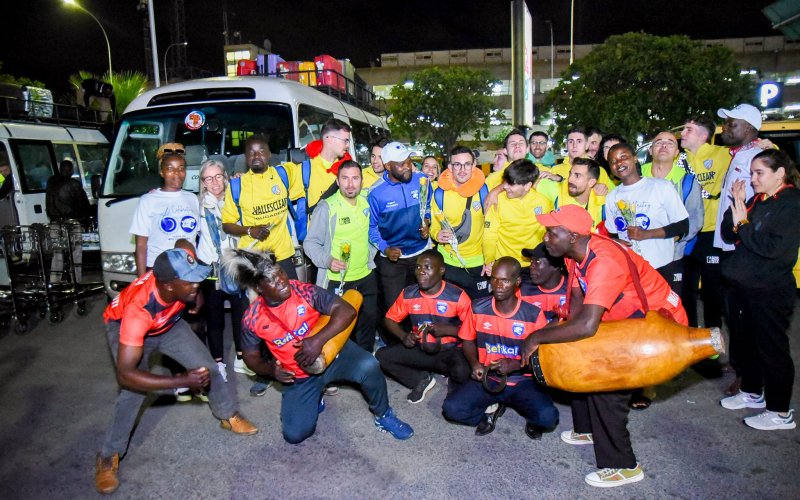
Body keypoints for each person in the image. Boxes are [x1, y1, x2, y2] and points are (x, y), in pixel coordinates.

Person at [520, 205, 687, 488]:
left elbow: (587, 326)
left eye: (551, 232)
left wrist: (535, 338)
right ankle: (588, 429)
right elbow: (576, 303)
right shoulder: (575, 253)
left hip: (654, 325)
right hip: (621, 320)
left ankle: (623, 466)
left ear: (573, 236)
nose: (545, 237)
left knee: (608, 387)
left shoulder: (604, 260)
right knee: (581, 360)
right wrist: (561, 335)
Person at [94, 245, 257, 495]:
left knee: (208, 367)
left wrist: (197, 295)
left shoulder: (176, 285)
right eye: (191, 282)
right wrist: (180, 380)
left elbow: (184, 247)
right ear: (170, 285)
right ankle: (108, 456)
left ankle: (227, 415)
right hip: (127, 328)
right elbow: (125, 374)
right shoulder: (138, 311)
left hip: (167, 323)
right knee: (132, 392)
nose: (197, 284)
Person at [229, 250, 414, 443]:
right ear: (259, 287)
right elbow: (250, 357)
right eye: (272, 280)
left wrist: (317, 341)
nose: (282, 281)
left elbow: (346, 310)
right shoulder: (253, 318)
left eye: (281, 273)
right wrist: (271, 371)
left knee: (369, 365)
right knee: (294, 435)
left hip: (333, 353)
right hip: (299, 375)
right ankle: (315, 396)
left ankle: (383, 415)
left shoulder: (303, 290)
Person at [719, 149, 800, 430]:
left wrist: (743, 223)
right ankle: (752, 392)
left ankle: (780, 411)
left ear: (780, 173)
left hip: (770, 289)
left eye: (759, 173)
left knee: (772, 348)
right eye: (751, 173)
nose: (752, 179)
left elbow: (773, 249)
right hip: (743, 286)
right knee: (745, 343)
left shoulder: (790, 204)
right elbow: (730, 233)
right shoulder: (759, 200)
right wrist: (737, 206)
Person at [442, 257, 558, 439]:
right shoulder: (478, 307)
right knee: (451, 410)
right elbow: (467, 340)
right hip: (489, 378)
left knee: (548, 419)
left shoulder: (533, 314)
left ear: (517, 282)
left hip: (523, 381)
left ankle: (530, 418)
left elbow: (543, 356)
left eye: (505, 280)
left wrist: (517, 365)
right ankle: (488, 412)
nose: (497, 285)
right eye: (494, 278)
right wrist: (474, 364)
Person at [376, 250, 472, 403]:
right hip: (421, 348)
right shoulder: (409, 293)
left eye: (427, 267)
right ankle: (421, 379)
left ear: (441, 270)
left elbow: (474, 331)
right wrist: (403, 336)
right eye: (418, 267)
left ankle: (452, 380)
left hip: (449, 352)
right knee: (381, 357)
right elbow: (389, 319)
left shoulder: (457, 296)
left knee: (463, 371)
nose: (421, 272)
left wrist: (448, 330)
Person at [304, 160, 378, 353]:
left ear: (362, 181)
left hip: (365, 276)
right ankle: (335, 370)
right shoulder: (327, 207)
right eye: (345, 178)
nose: (350, 184)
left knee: (367, 327)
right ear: (337, 181)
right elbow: (310, 243)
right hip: (338, 282)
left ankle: (366, 367)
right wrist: (328, 261)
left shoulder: (367, 202)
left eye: (355, 178)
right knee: (338, 332)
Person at [368, 141, 431, 342]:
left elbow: (427, 206)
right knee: (394, 308)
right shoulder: (375, 193)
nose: (408, 166)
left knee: (420, 304)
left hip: (420, 253)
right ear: (387, 166)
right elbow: (371, 228)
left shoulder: (422, 180)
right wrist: (385, 249)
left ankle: (422, 343)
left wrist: (427, 222)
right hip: (393, 260)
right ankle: (396, 348)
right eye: (401, 164)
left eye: (409, 161)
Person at [604, 142, 690, 292]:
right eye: (613, 161)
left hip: (660, 266)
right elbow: (613, 233)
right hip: (630, 268)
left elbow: (683, 225)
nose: (618, 163)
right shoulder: (612, 197)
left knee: (663, 314)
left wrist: (647, 234)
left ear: (635, 158)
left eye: (623, 157)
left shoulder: (661, 187)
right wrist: (617, 242)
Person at [195, 160, 250, 382]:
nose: (214, 182)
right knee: (214, 319)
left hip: (235, 266)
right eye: (208, 178)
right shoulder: (197, 205)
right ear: (203, 183)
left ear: (225, 177)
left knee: (241, 315)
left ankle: (241, 356)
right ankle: (218, 362)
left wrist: (242, 179)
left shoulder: (237, 199)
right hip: (211, 270)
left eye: (218, 176)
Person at [221, 135, 304, 279]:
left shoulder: (284, 174)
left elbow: (310, 172)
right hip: (254, 258)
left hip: (283, 254)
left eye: (261, 151)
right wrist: (249, 230)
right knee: (259, 301)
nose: (256, 156)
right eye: (251, 152)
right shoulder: (237, 186)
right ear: (246, 157)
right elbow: (226, 225)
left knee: (292, 298)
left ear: (269, 154)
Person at [429, 146, 490, 299]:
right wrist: (437, 234)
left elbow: (492, 228)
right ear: (450, 167)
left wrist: (490, 259)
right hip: (448, 263)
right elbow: (434, 225)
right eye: (457, 164)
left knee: (478, 312)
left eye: (467, 164)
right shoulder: (440, 194)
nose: (462, 169)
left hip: (478, 264)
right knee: (450, 313)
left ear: (473, 165)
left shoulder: (484, 191)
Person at [130, 144, 199, 277]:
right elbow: (141, 246)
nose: (177, 173)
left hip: (188, 267)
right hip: (158, 268)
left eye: (181, 168)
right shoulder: (148, 200)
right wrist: (141, 280)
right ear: (161, 172)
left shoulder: (192, 199)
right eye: (170, 169)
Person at [482, 159, 553, 276]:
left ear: (527, 186)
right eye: (505, 182)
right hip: (505, 265)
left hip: (534, 265)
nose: (505, 187)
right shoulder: (496, 201)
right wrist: (489, 261)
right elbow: (489, 236)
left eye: (511, 184)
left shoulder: (544, 202)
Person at [45, 159, 91, 282]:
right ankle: (76, 280)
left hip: (55, 222)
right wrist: (85, 219)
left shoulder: (51, 182)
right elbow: (83, 204)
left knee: (57, 252)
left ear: (60, 169)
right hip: (71, 223)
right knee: (76, 253)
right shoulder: (74, 184)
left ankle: (55, 280)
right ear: (71, 170)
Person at [536, 157, 607, 231]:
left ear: (591, 182)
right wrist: (560, 178)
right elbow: (530, 179)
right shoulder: (558, 190)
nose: (570, 179)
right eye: (570, 174)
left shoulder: (602, 205)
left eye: (577, 176)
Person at [520, 242, 583, 324]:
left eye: (538, 262)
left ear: (555, 266)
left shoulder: (574, 291)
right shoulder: (523, 291)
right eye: (532, 261)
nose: (531, 266)